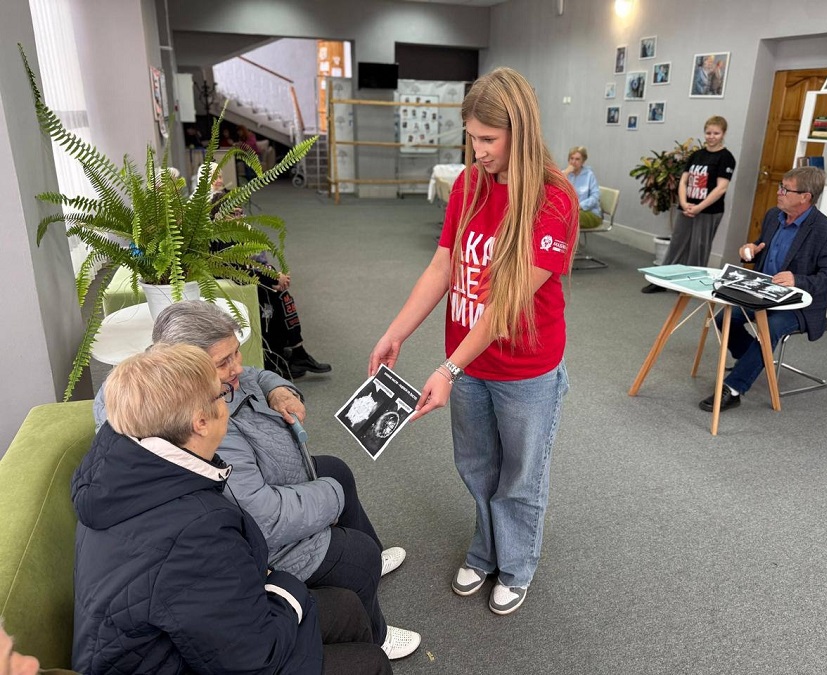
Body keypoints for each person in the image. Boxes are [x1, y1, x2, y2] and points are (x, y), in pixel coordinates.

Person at [92, 301, 420, 661]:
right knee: (356, 555)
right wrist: (331, 497)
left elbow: (253, 375)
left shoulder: (166, 376)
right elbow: (264, 518)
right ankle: (377, 633)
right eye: (224, 362)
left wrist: (278, 389)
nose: (236, 366)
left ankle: (371, 559)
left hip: (270, 479)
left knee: (336, 470)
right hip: (264, 538)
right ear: (191, 370)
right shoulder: (199, 429)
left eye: (236, 352)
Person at [369, 67, 578, 616]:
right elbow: (442, 266)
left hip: (524, 369)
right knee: (477, 467)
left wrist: (447, 369)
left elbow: (506, 304)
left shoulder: (554, 199)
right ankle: (486, 551)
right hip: (468, 365)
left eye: (489, 139)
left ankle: (517, 564)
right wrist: (396, 333)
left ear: (520, 132)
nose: (478, 151)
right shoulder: (469, 184)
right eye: (472, 138)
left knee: (520, 477)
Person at [699, 166, 827, 412]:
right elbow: (762, 247)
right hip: (762, 293)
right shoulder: (773, 215)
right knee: (724, 318)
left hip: (798, 303)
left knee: (771, 328)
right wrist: (750, 250)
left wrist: (798, 280)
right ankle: (753, 361)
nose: (778, 192)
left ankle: (733, 389)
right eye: (780, 186)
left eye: (785, 190)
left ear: (805, 196)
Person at [208, 163, 332, 378]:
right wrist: (273, 279)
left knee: (281, 295)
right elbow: (240, 272)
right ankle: (284, 355)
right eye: (233, 214)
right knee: (278, 297)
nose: (239, 217)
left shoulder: (231, 234)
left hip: (249, 280)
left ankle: (293, 352)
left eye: (240, 212)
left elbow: (250, 264)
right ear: (220, 216)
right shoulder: (222, 240)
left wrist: (273, 275)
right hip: (240, 288)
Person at [642, 115, 736, 293]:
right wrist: (684, 203)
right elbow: (684, 181)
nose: (711, 136)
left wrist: (699, 207)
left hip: (709, 211)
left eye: (716, 133)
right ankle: (662, 280)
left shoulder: (726, 157)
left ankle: (690, 284)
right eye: (708, 133)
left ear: (723, 134)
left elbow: (721, 188)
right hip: (686, 208)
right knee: (676, 243)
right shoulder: (696, 155)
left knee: (699, 247)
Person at [562, 146, 602, 230]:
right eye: (571, 158)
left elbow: (595, 197)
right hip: (569, 211)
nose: (573, 162)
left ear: (583, 161)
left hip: (589, 212)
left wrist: (579, 206)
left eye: (577, 159)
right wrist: (565, 175)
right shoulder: (565, 174)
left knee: (569, 217)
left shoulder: (589, 175)